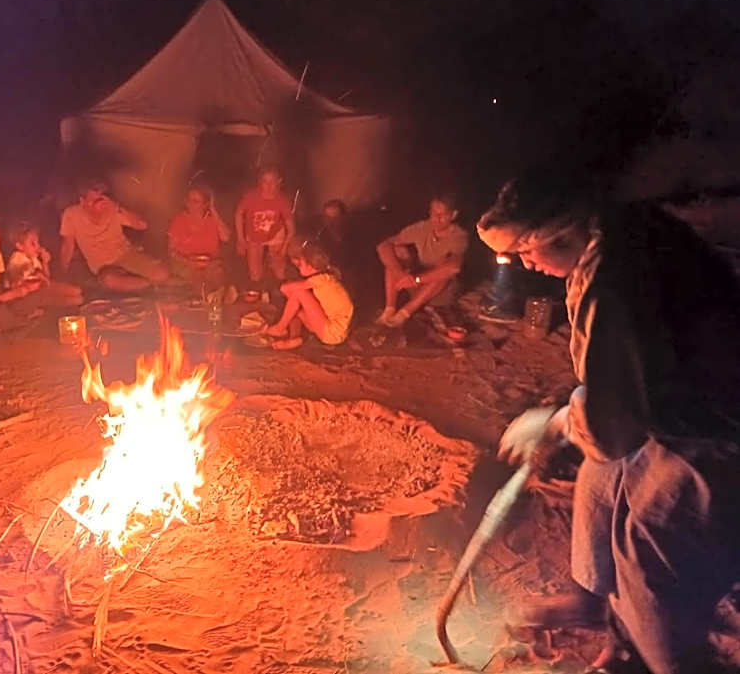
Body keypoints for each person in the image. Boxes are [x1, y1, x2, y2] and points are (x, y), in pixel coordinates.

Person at [478, 170, 740, 674]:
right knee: (599, 485)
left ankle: (665, 659)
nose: (526, 264)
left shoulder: (612, 276)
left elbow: (613, 426)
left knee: (652, 556)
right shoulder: (610, 231)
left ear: (560, 233)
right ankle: (602, 613)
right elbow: (614, 393)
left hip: (718, 430)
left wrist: (557, 423)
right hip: (679, 407)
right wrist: (566, 414)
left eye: (527, 252)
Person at [375, 195, 468, 327]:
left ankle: (404, 313)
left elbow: (454, 268)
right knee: (396, 254)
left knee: (444, 268)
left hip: (440, 294)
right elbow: (384, 246)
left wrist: (417, 279)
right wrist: (400, 273)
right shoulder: (423, 227)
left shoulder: (459, 236)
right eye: (434, 213)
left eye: (442, 215)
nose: (437, 219)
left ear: (453, 215)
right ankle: (389, 310)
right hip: (414, 286)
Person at [59, 182, 169, 291]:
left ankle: (141, 283)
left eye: (101, 199)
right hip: (104, 267)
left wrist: (118, 208)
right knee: (109, 280)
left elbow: (142, 225)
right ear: (82, 201)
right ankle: (149, 284)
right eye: (94, 201)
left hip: (126, 255)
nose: (99, 204)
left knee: (161, 274)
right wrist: (62, 272)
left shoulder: (111, 208)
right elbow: (68, 246)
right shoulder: (71, 214)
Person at [264, 238, 354, 350]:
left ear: (310, 267)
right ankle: (296, 338)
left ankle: (280, 327)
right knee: (294, 305)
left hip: (332, 332)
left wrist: (283, 285)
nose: (298, 267)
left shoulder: (319, 280)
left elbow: (285, 288)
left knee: (298, 294)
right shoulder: (327, 277)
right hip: (333, 329)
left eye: (300, 264)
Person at [234, 166, 294, 292]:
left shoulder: (282, 200)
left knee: (279, 267)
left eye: (272, 182)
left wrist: (284, 248)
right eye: (265, 181)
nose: (268, 186)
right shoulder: (251, 196)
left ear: (279, 182)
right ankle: (258, 292)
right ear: (260, 182)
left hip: (275, 234)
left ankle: (281, 290)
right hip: (254, 234)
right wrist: (240, 239)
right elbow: (239, 214)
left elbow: (291, 229)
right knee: (255, 272)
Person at [167, 185, 231, 289]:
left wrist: (213, 210)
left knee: (217, 274)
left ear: (205, 204)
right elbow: (171, 251)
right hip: (185, 262)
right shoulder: (179, 220)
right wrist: (189, 262)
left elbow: (226, 238)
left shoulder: (212, 220)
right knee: (197, 278)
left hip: (210, 262)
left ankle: (217, 300)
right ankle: (203, 301)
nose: (191, 204)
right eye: (189, 200)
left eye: (196, 201)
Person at [6, 222, 84, 306]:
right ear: (20, 246)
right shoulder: (17, 259)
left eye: (37, 242)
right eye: (33, 243)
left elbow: (47, 278)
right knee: (77, 300)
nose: (37, 246)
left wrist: (45, 263)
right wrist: (37, 275)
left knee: (77, 291)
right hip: (29, 297)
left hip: (42, 288)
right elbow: (18, 281)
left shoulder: (33, 257)